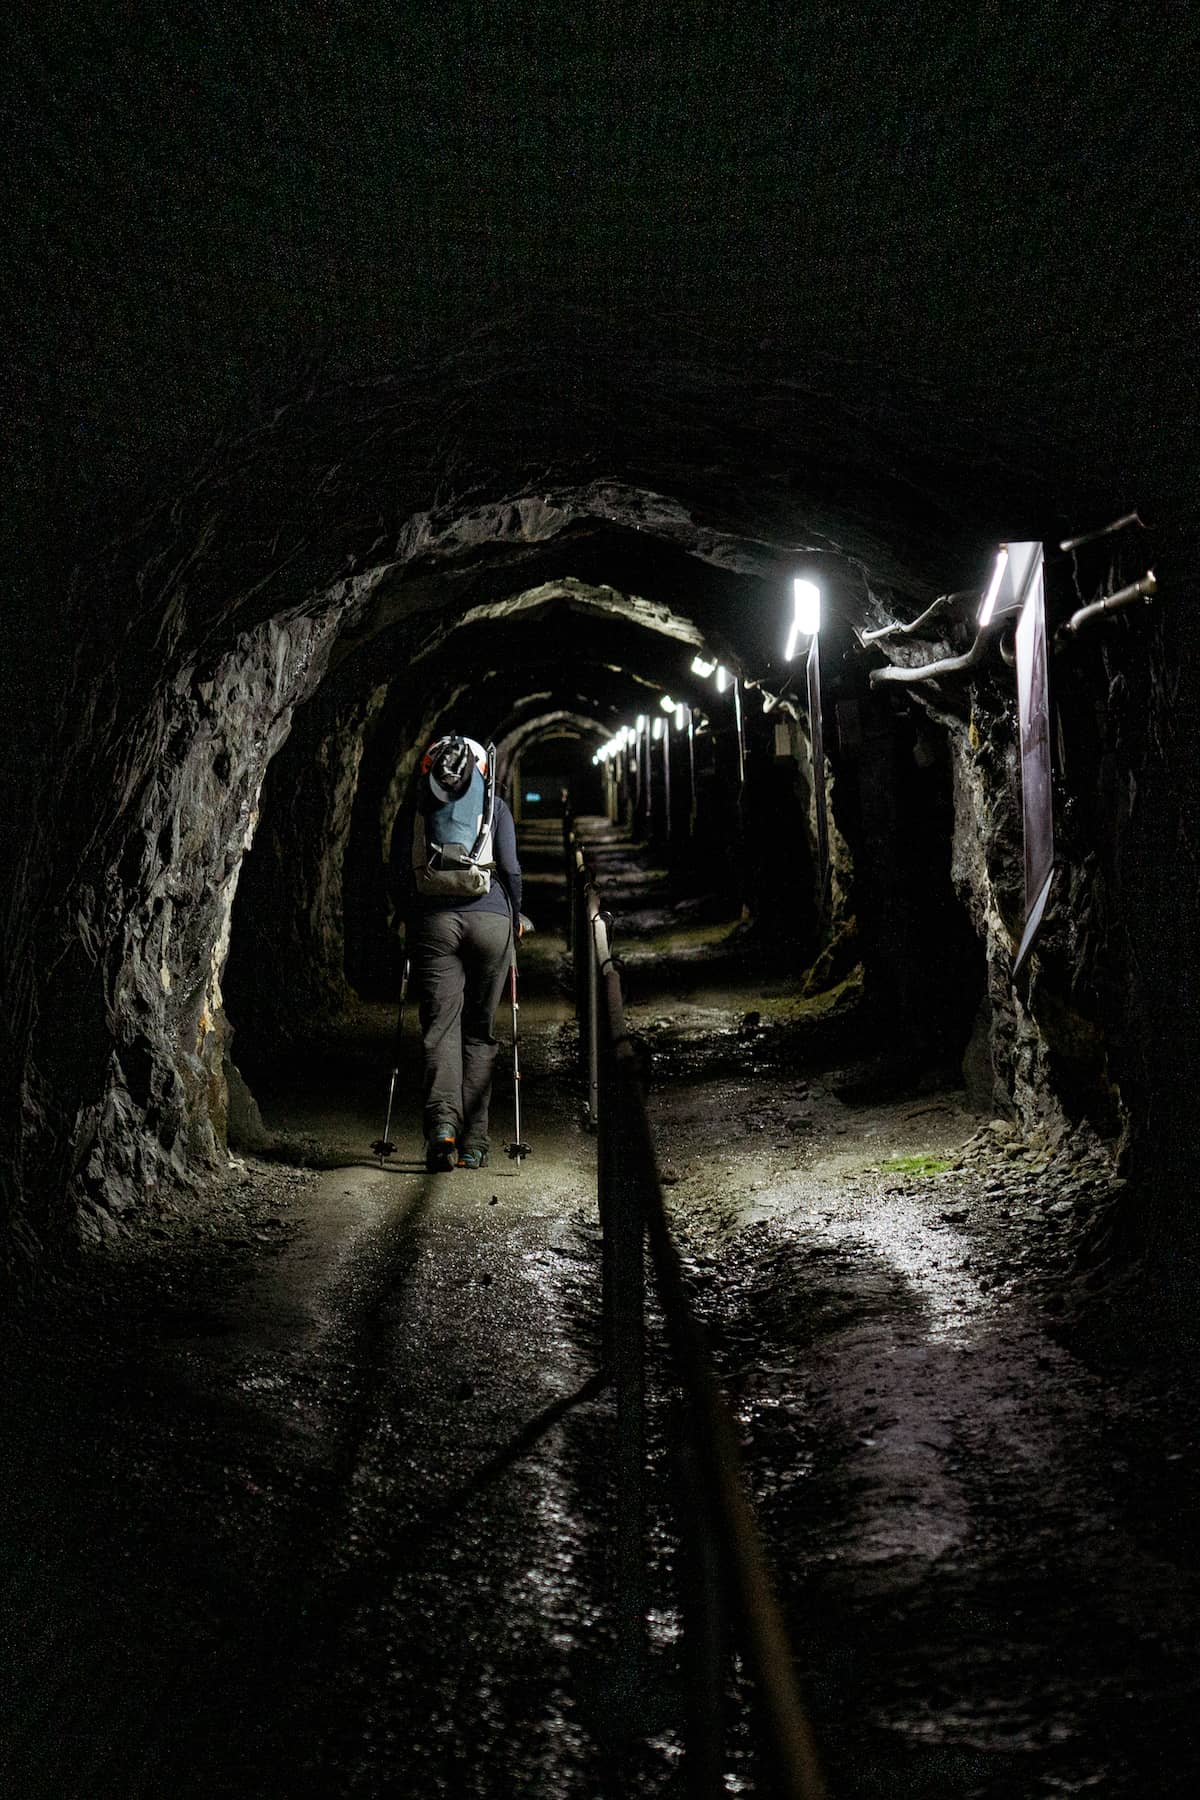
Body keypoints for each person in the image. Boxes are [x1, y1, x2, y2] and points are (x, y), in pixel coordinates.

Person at [394, 734, 522, 1172]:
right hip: (491, 920)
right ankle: (474, 1144)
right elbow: (511, 869)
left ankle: (442, 1129)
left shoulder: (418, 808)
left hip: (434, 923)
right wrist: (516, 916)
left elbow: (398, 868)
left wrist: (408, 916)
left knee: (439, 1029)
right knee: (478, 1031)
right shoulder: (495, 806)